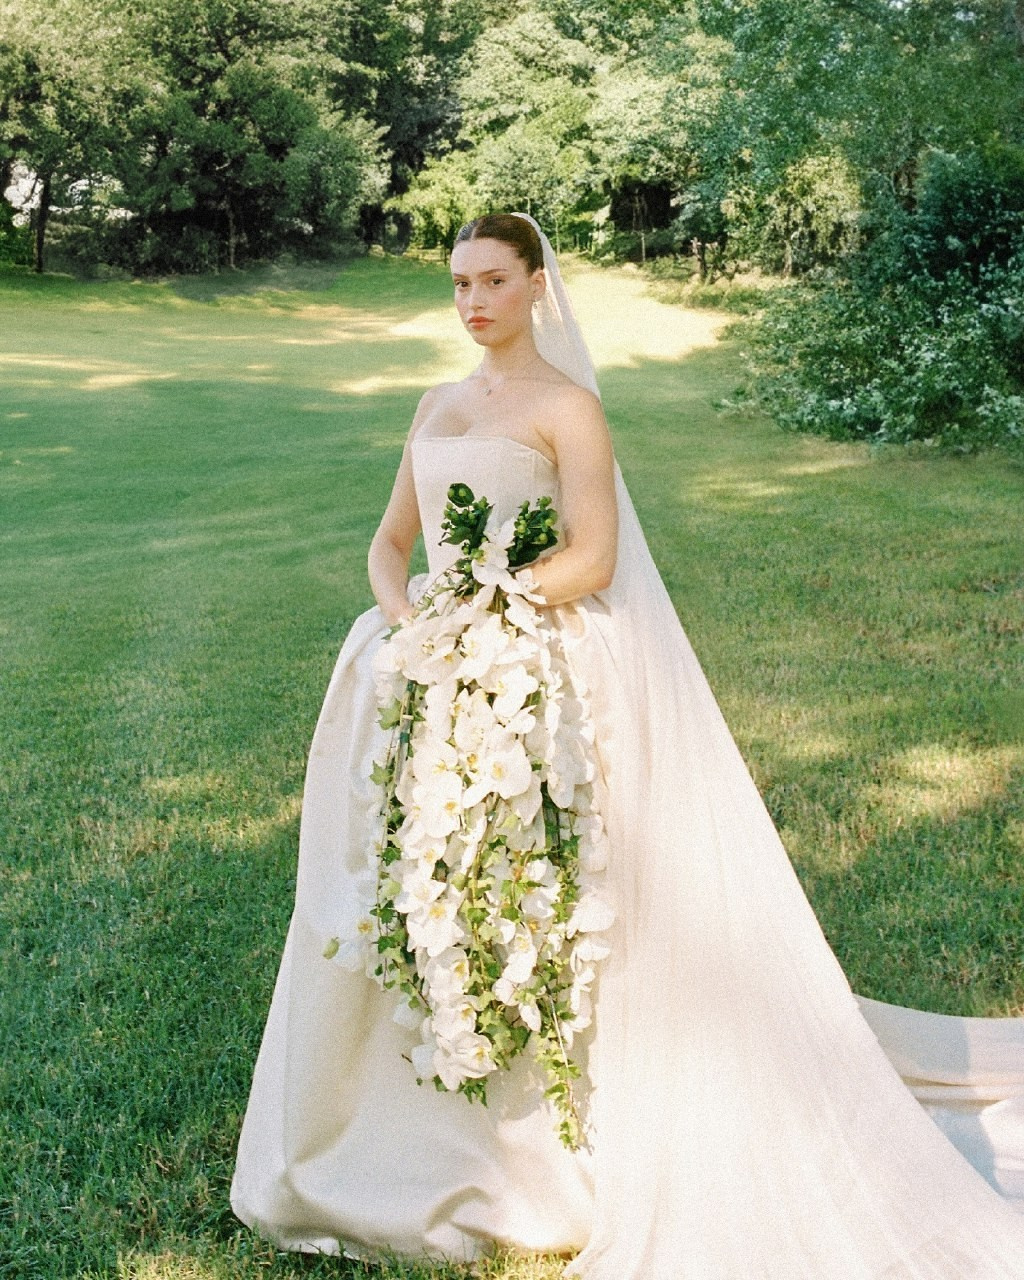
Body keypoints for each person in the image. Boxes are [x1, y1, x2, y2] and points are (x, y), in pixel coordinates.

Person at [231, 213, 1024, 1278]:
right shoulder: (435, 405)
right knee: (423, 874)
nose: (472, 303)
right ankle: (408, 1129)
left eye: (492, 281)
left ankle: (553, 1133)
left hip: (530, 652)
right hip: (430, 658)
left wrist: (494, 614)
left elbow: (594, 557)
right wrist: (409, 618)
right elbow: (389, 541)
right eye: (459, 283)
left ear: (535, 285)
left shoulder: (569, 408)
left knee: (537, 877)